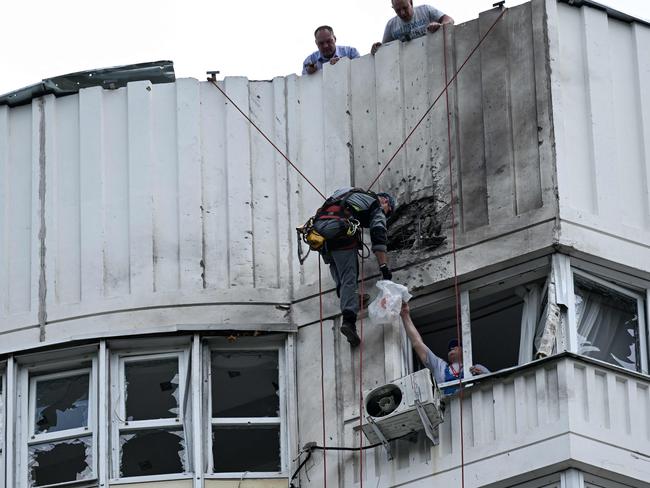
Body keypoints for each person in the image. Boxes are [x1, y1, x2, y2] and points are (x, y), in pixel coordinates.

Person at [312, 188, 396, 346]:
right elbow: (378, 235)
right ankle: (349, 322)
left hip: (320, 233)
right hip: (339, 231)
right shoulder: (376, 206)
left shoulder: (348, 193)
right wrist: (384, 267)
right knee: (349, 276)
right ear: (385, 201)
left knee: (342, 276)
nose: (385, 215)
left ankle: (352, 299)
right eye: (388, 212)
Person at [399, 302, 489, 394]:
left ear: (465, 350)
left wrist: (481, 377)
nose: (452, 348)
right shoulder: (440, 367)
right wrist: (405, 315)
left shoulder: (476, 368)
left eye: (456, 346)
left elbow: (494, 384)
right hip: (448, 406)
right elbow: (417, 343)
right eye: (450, 348)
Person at [371, 1, 454, 55]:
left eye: (405, 8)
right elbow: (384, 50)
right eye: (398, 10)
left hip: (432, 54)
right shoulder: (391, 25)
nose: (402, 13)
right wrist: (376, 48)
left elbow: (449, 20)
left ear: (411, 2)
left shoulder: (425, 10)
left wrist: (440, 26)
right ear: (393, 8)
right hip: (408, 66)